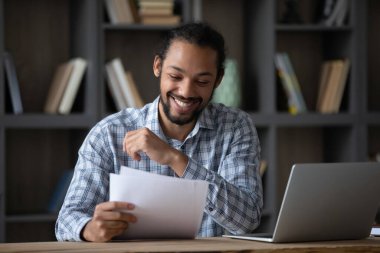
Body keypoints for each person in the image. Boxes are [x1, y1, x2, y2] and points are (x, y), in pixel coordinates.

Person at [55, 22, 263, 242]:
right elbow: (67, 220)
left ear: (218, 80)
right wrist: (89, 229)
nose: (186, 92)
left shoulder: (236, 127)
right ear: (157, 67)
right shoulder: (108, 134)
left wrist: (176, 159)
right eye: (175, 76)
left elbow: (247, 220)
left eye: (202, 81)